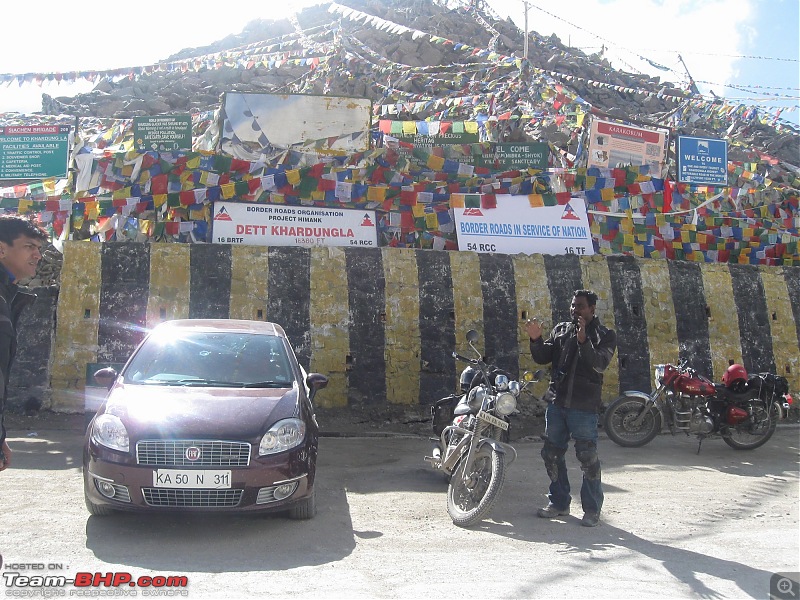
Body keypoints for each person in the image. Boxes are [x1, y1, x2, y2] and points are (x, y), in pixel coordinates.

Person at [525, 289, 617, 527]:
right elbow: (543, 357)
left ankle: (592, 509)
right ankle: (559, 502)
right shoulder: (561, 330)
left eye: (581, 306)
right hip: (557, 403)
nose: (575, 310)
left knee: (587, 457)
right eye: (573, 306)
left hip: (584, 406)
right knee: (552, 454)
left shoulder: (605, 335)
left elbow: (599, 364)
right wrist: (535, 339)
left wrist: (584, 341)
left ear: (592, 309)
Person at [0, 216, 47, 472]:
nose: (37, 255)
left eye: (38, 248)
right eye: (29, 246)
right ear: (1, 249)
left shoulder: (7, 295)